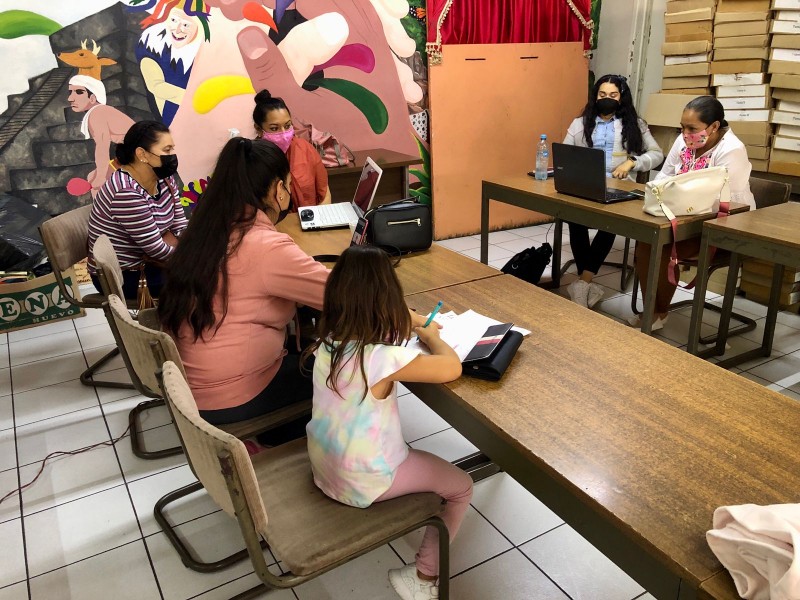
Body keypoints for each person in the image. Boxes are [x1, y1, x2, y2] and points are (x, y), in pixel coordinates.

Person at [304, 245, 473, 600]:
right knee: (462, 486)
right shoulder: (382, 357)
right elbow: (451, 368)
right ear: (388, 302)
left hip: (325, 467)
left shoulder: (327, 345)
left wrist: (408, 317)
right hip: (367, 480)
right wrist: (431, 336)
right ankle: (423, 578)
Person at [157, 137, 328, 443]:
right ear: (278, 189)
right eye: (288, 184)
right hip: (232, 393)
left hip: (195, 385)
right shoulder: (265, 245)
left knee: (309, 351)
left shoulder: (207, 227)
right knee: (343, 369)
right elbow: (341, 294)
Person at [629, 96, 755, 331]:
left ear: (714, 126)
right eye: (682, 127)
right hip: (684, 217)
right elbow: (664, 177)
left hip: (724, 225)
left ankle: (657, 312)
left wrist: (680, 202)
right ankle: (654, 311)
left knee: (663, 246)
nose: (685, 134)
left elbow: (727, 203)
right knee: (647, 240)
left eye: (692, 128)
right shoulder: (684, 141)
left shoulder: (732, 150)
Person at [562, 74, 664, 308]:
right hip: (586, 184)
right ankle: (585, 283)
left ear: (622, 98)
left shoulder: (635, 124)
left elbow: (657, 154)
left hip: (621, 186)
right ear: (595, 96)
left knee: (610, 223)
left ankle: (582, 282)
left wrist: (632, 162)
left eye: (613, 95)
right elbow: (565, 152)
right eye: (602, 95)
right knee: (574, 218)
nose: (607, 99)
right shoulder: (580, 123)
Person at [88, 120, 185, 300]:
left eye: (172, 149)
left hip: (152, 263)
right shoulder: (126, 191)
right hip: (126, 275)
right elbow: (156, 249)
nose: (172, 155)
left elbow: (179, 223)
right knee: (205, 278)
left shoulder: (164, 179)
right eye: (166, 150)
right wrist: (195, 254)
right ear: (142, 154)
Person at [252, 89, 331, 209]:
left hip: (309, 221)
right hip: (271, 226)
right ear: (258, 129)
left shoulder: (305, 149)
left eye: (288, 126)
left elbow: (324, 192)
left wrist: (320, 221)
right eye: (274, 128)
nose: (284, 134)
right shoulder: (252, 159)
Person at [67, 75, 135, 195]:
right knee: (92, 176)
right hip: (133, 154)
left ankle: (103, 212)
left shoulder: (98, 113)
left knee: (97, 183)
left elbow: (102, 146)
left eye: (78, 92)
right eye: (70, 92)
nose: (70, 98)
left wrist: (101, 176)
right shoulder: (99, 112)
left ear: (92, 98)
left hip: (140, 154)